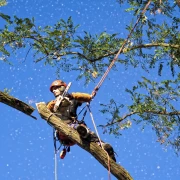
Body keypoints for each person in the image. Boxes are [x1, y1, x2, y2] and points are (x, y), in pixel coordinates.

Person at [47, 80, 116, 161]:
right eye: (53, 90)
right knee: (76, 127)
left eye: (55, 88)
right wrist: (53, 104)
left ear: (62, 88)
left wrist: (74, 96)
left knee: (80, 128)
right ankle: (83, 133)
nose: (54, 91)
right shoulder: (52, 104)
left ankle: (101, 145)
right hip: (62, 132)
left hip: (73, 126)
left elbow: (86, 98)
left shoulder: (72, 99)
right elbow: (46, 110)